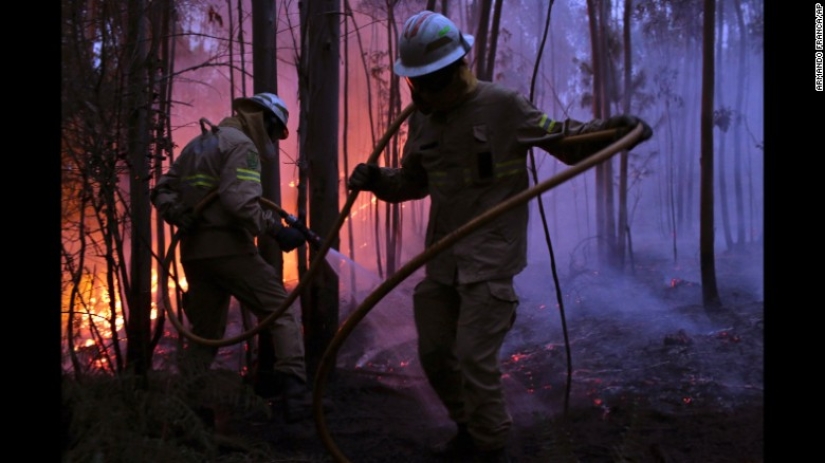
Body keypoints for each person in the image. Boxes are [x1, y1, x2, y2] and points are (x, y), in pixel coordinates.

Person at [346, 11, 652, 463]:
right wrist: (375, 179)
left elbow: (564, 141)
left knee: (473, 356)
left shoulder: (503, 106)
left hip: (490, 259)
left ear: (454, 70)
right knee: (433, 352)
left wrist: (615, 133)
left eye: (429, 81)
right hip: (443, 257)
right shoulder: (423, 121)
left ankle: (490, 446)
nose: (421, 92)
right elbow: (413, 183)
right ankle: (470, 429)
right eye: (416, 83)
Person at [151, 92, 316, 423]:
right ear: (264, 121)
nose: (271, 139)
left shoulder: (199, 144)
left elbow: (160, 191)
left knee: (206, 332)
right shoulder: (242, 146)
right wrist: (277, 231)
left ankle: (186, 409)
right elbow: (240, 203)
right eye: (274, 131)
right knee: (279, 311)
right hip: (230, 249)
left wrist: (179, 213)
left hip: (195, 255)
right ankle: (296, 398)